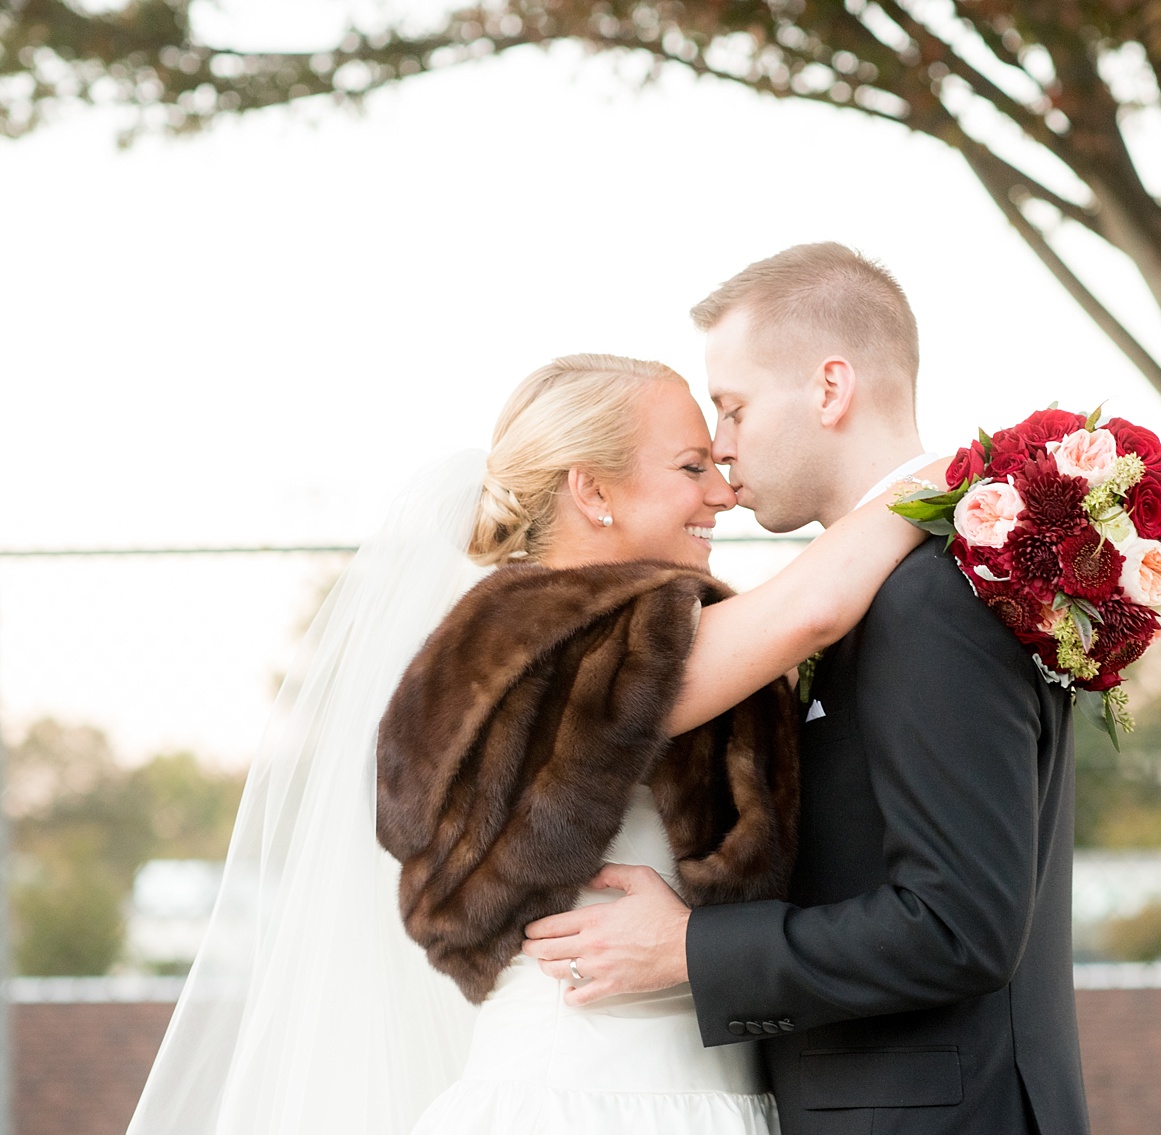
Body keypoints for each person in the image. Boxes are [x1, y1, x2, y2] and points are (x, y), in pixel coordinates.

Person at [126, 352, 944, 1135]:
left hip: (681, 1090)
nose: (724, 493)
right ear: (591, 489)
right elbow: (812, 609)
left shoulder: (570, 629)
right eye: (691, 467)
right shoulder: (540, 640)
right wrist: (961, 477)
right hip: (587, 1099)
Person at [522, 244, 1092, 1134]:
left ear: (830, 389)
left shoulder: (930, 597)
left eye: (734, 405)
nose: (720, 445)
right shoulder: (873, 589)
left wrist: (688, 948)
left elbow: (959, 924)